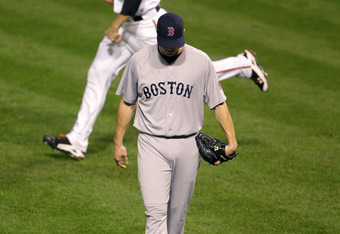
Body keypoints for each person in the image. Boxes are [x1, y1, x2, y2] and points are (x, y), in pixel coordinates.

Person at [42, 0, 265, 160]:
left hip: (148, 27)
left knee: (190, 73)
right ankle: (77, 140)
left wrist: (115, 25)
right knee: (98, 73)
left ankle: (244, 64)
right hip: (130, 25)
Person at [113, 12, 237, 233]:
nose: (170, 49)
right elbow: (127, 102)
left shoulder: (201, 61)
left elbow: (218, 104)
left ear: (184, 35)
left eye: (175, 44)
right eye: (166, 44)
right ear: (157, 35)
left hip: (188, 146)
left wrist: (231, 140)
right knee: (155, 212)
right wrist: (118, 142)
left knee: (177, 216)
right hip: (151, 145)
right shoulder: (139, 61)